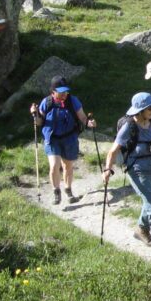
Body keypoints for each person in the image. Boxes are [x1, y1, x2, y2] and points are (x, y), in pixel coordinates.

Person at [102, 92, 151, 263]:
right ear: (140, 111)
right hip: (138, 171)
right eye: (149, 107)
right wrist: (107, 170)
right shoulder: (129, 127)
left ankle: (141, 229)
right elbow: (113, 151)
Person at [31, 76, 96, 205]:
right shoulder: (47, 102)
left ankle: (68, 189)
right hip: (52, 138)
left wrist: (89, 123)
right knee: (54, 165)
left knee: (68, 166)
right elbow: (39, 122)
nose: (64, 94)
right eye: (61, 91)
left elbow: (82, 117)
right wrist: (35, 114)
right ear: (53, 91)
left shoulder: (73, 101)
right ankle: (56, 192)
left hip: (69, 138)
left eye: (66, 91)